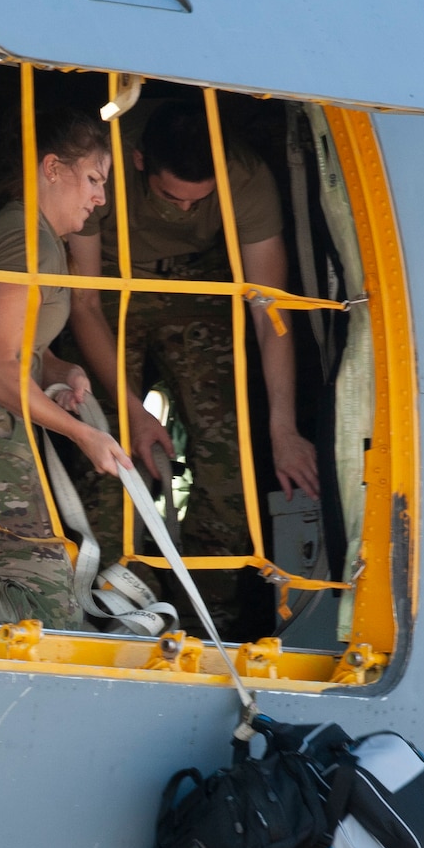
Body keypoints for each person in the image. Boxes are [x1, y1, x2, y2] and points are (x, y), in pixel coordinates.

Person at [66, 99, 321, 635]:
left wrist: (283, 426)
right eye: (170, 197)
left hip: (199, 287)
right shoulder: (100, 165)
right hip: (112, 285)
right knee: (108, 453)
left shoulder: (246, 177)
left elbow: (269, 308)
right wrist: (133, 412)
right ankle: (119, 614)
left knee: (231, 466)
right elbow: (84, 303)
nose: (184, 211)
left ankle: (214, 623)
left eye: (198, 203)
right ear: (139, 163)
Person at [0, 110, 132, 628]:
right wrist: (83, 435)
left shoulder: (36, 239)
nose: (101, 198)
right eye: (94, 179)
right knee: (46, 603)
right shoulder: (27, 243)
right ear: (53, 168)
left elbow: (11, 345)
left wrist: (57, 367)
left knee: (43, 593)